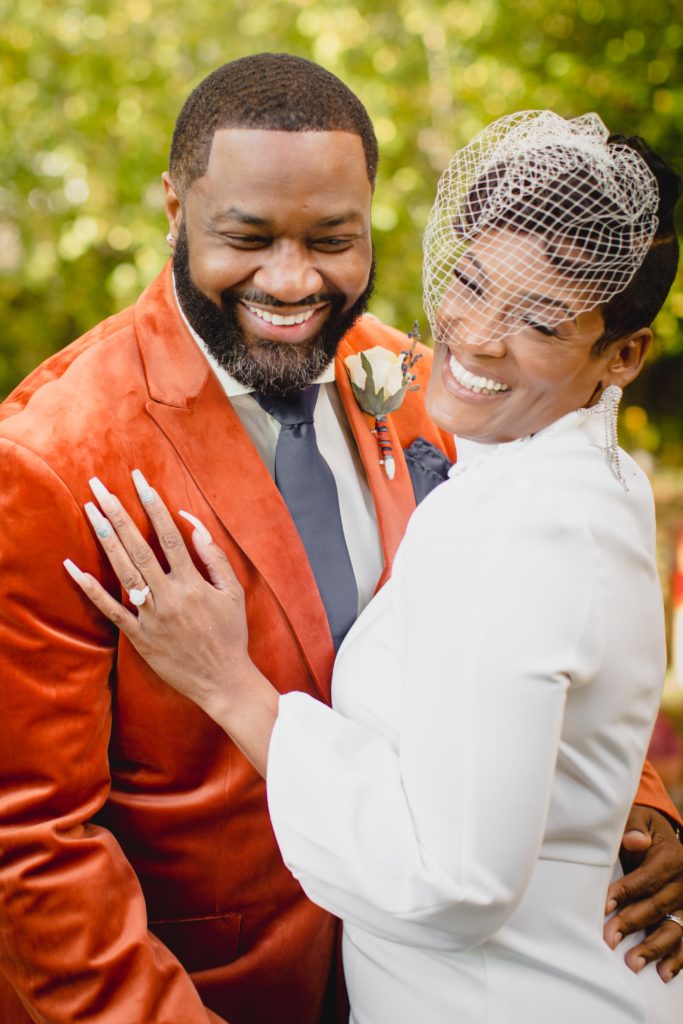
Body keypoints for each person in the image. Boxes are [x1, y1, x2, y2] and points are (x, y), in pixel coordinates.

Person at [0, 54, 679, 1023]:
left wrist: (631, 805)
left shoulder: (438, 390)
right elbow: (34, 849)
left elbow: (533, 638)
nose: (291, 280)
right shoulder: (51, 458)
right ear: (173, 206)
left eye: (331, 239)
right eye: (247, 237)